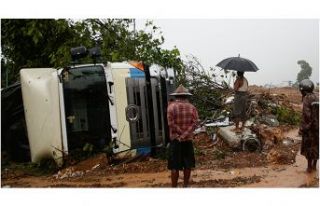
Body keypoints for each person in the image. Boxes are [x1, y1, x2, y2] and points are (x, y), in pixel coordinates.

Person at [167, 85, 199, 187]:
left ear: (176, 96)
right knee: (187, 165)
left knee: (174, 166)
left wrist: (180, 135)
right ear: (186, 96)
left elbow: (171, 124)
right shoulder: (192, 107)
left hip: (176, 140)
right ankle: (185, 186)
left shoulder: (171, 107)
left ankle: (174, 187)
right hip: (187, 140)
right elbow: (195, 123)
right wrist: (185, 135)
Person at [298, 79, 319, 173]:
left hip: (309, 129)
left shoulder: (307, 98)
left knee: (308, 147)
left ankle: (309, 168)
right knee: (316, 146)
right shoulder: (316, 97)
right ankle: (314, 166)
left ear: (303, 90)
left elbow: (307, 116)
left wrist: (302, 129)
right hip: (317, 128)